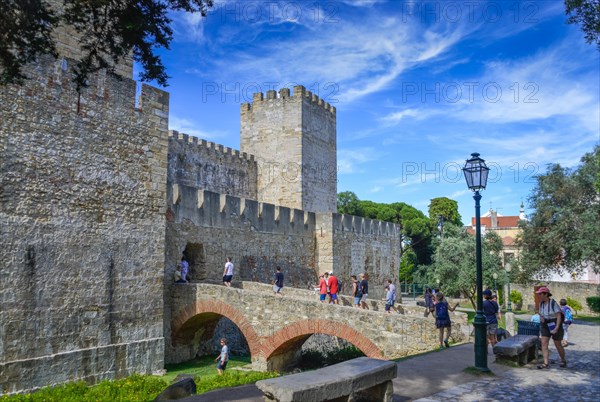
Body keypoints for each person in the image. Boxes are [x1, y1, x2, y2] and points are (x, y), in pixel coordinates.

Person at [536, 286, 566, 369]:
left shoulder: (553, 303)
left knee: (557, 343)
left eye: (540, 294)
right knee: (544, 343)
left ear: (546, 294)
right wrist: (541, 317)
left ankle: (563, 359)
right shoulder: (541, 303)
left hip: (554, 323)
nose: (538, 295)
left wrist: (556, 327)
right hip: (545, 324)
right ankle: (545, 363)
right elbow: (540, 313)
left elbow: (558, 316)